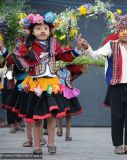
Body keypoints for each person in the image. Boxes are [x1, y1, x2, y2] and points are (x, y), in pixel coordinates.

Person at [0, 12, 84, 155]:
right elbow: (14, 59)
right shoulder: (28, 46)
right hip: (35, 85)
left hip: (51, 84)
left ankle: (51, 143)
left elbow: (64, 56)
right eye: (38, 28)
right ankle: (37, 146)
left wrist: (78, 48)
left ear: (50, 30)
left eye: (45, 28)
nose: (42, 31)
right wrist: (3, 50)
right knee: (37, 118)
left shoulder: (53, 43)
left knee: (52, 116)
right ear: (32, 31)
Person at [78, 14, 127, 155]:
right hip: (116, 87)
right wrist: (87, 47)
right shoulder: (111, 45)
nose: (125, 32)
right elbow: (94, 55)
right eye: (122, 30)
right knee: (117, 116)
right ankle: (118, 145)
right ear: (118, 32)